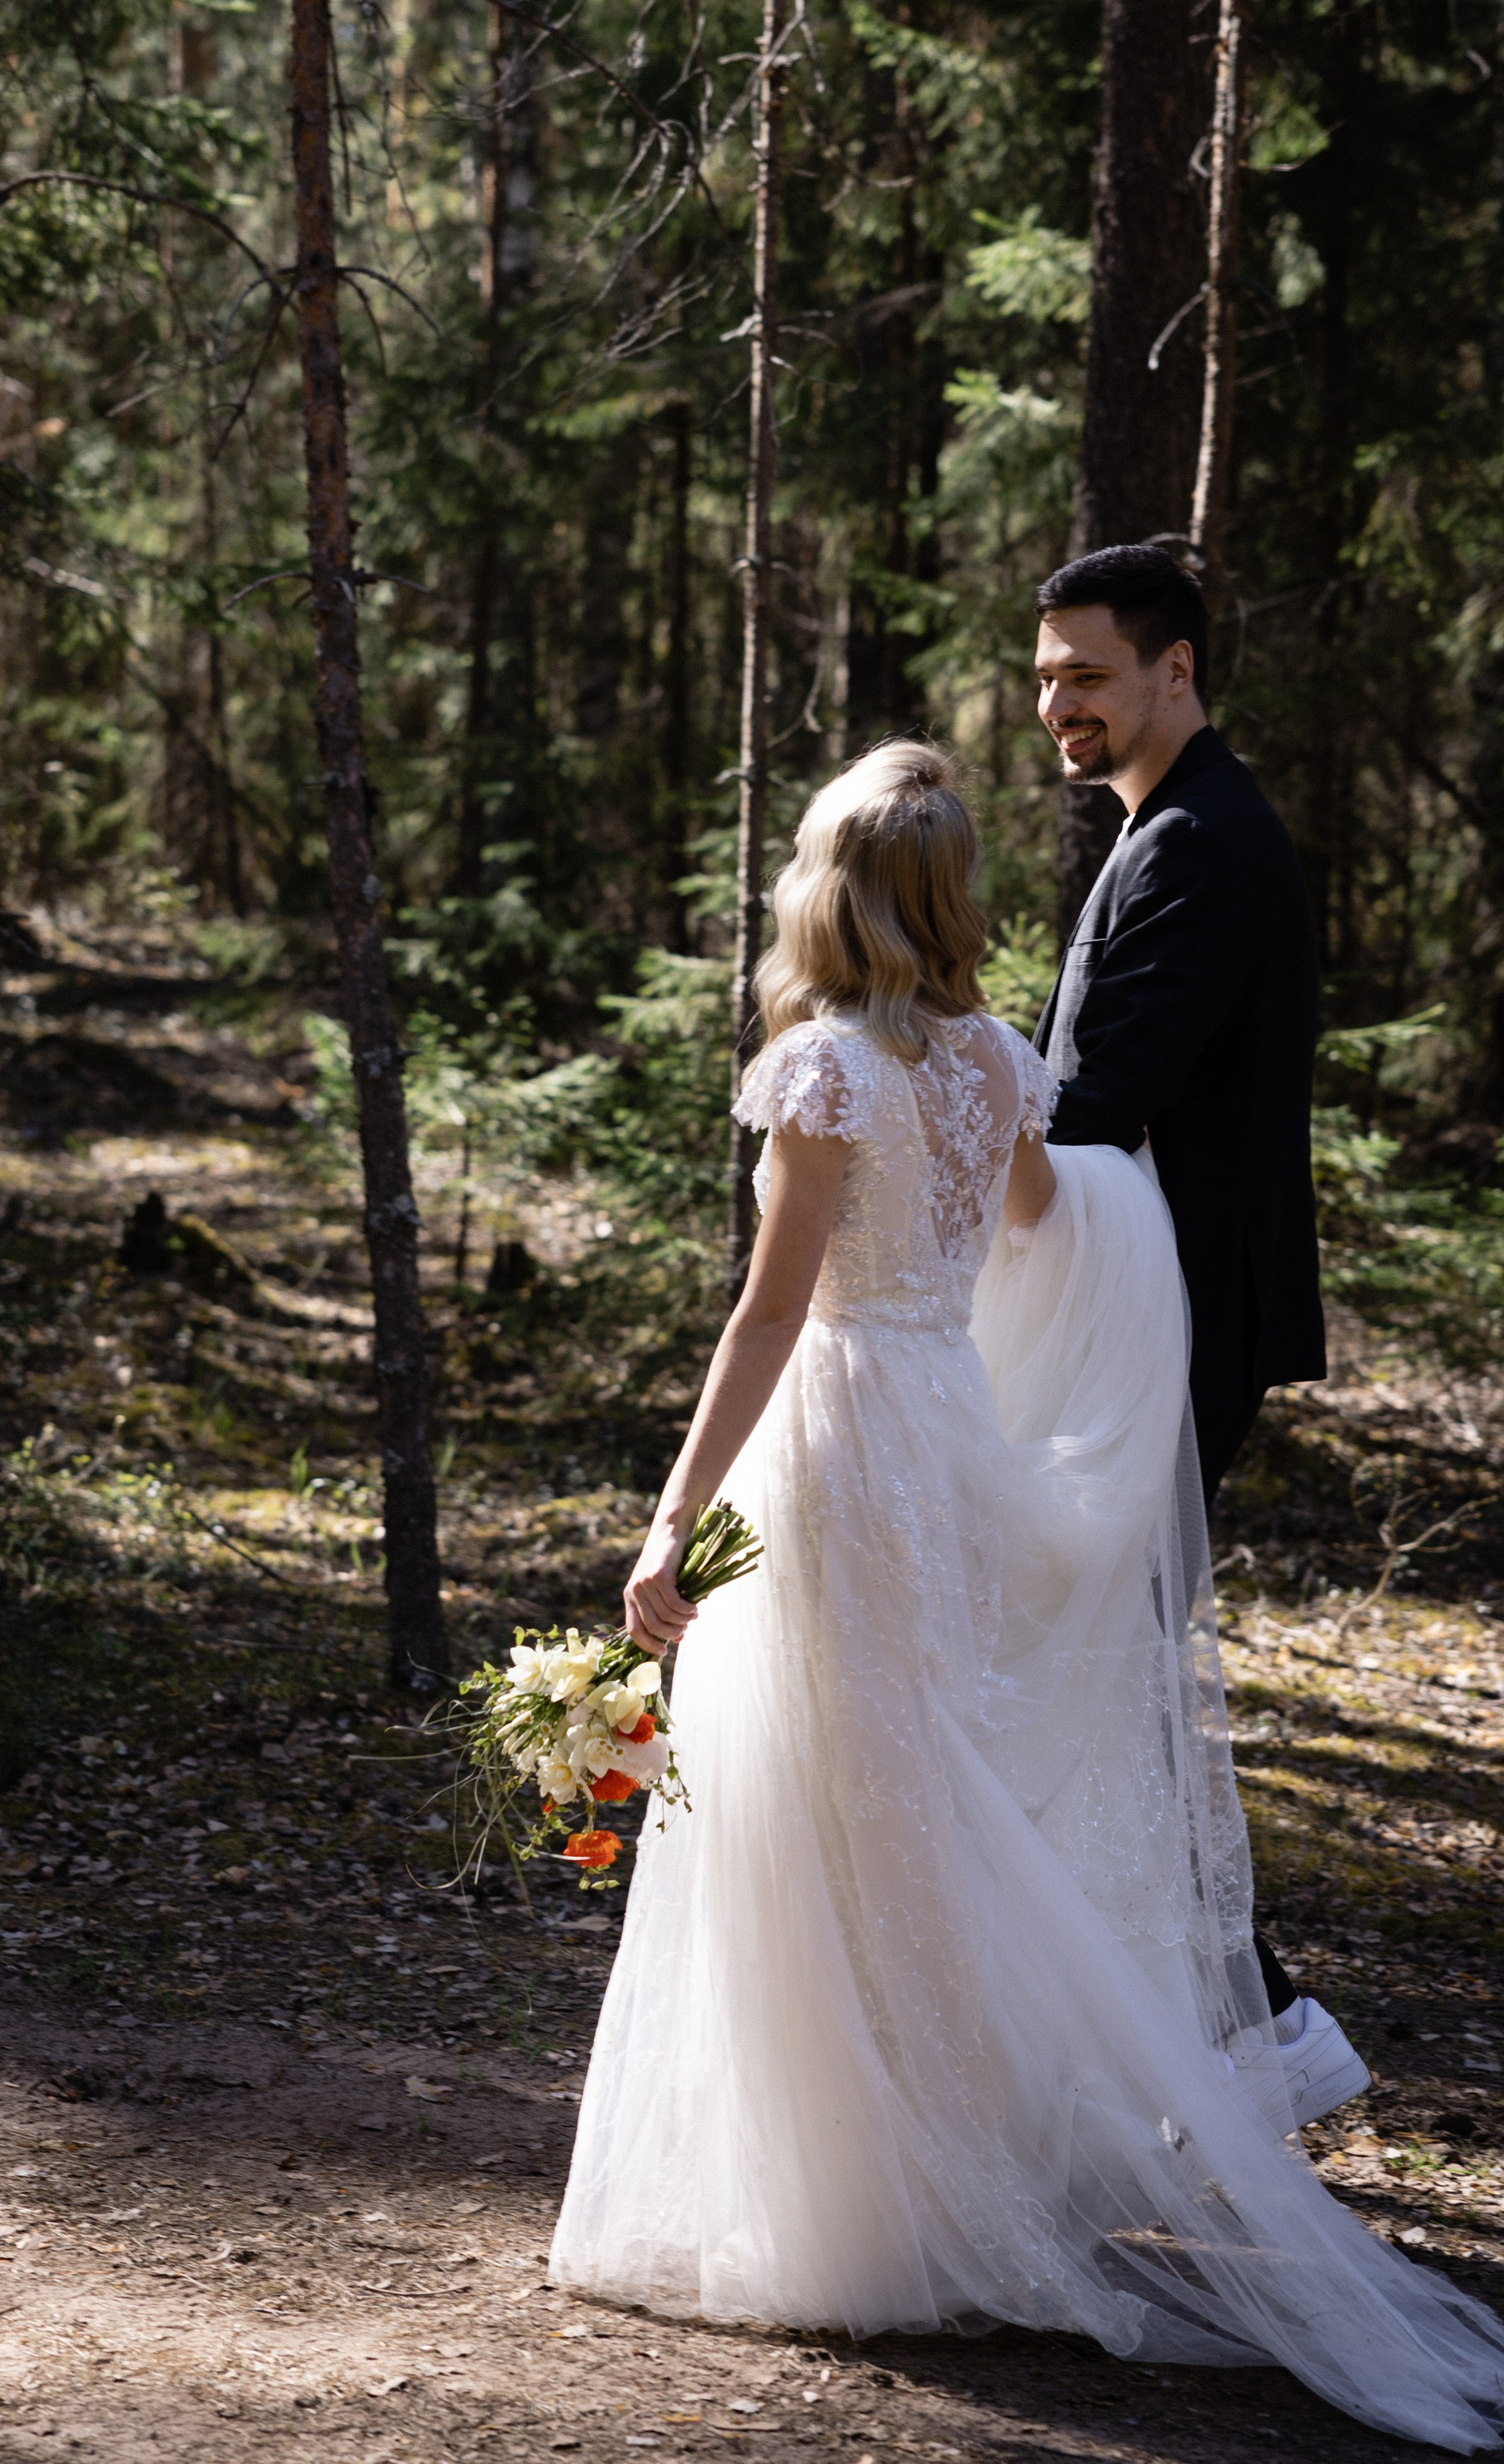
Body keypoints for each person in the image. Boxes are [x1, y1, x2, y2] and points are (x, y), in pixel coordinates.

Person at [550, 741, 1504, 2449]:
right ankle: (945, 2165)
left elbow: (770, 1318)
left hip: (839, 1438)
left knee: (817, 1802)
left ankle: (855, 2201)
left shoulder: (821, 1070)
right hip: (948, 1428)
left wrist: (670, 1517)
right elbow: (1054, 1220)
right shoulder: (997, 1064)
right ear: (951, 894)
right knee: (919, 1791)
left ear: (829, 892)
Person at [1030, 542, 1366, 2125]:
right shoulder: (1164, 828)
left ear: (1174, 668)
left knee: (1086, 1682)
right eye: (1044, 676)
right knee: (1079, 1680)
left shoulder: (1200, 843)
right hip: (1138, 1315)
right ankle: (1171, 2035)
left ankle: (1256, 2027)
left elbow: (1103, 1104)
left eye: (1087, 674)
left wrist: (928, 1091)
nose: (1058, 704)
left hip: (1168, 1330)